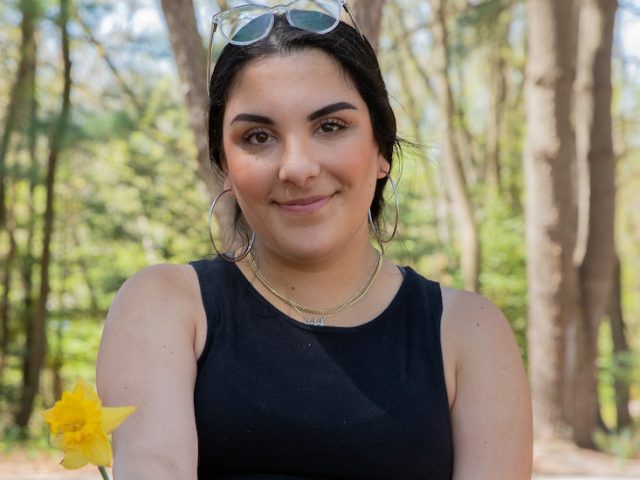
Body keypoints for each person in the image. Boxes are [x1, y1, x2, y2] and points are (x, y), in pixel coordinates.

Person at [96, 1, 533, 478]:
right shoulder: (166, 305)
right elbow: (152, 462)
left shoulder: (469, 332)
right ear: (224, 164)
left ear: (381, 150)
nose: (297, 167)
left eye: (330, 126)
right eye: (258, 136)